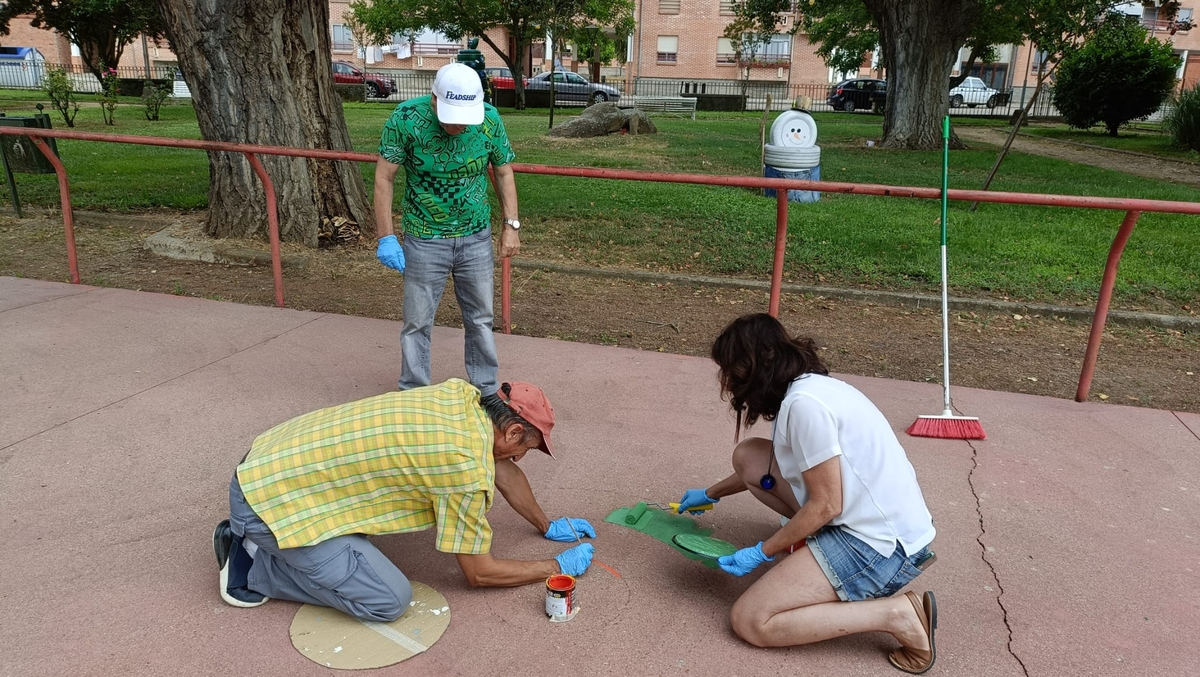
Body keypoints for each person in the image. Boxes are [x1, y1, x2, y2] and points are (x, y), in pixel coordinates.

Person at [675, 314, 940, 674]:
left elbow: (828, 504)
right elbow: (774, 469)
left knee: (751, 620)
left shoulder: (805, 407)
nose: (726, 381)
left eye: (727, 370)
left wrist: (761, 551)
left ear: (748, 367)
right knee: (750, 455)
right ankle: (813, 550)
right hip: (878, 527)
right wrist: (710, 493)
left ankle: (897, 615)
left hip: (878, 548)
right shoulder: (812, 389)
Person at [212, 378, 595, 621]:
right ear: (512, 432)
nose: (521, 458)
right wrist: (555, 566)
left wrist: (547, 526)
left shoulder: (460, 398)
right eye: (527, 447)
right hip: (267, 505)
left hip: (267, 461)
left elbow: (501, 466)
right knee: (389, 601)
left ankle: (268, 540)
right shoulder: (461, 467)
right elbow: (480, 573)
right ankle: (252, 566)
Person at [373, 62, 522, 398]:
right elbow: (384, 177)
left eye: (464, 115)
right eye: (452, 114)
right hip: (424, 238)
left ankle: (486, 391)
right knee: (417, 322)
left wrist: (511, 225)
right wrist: (386, 236)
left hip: (476, 236)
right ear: (434, 100)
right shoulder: (406, 119)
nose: (458, 124)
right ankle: (414, 393)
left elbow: (504, 172)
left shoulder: (488, 119)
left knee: (481, 318)